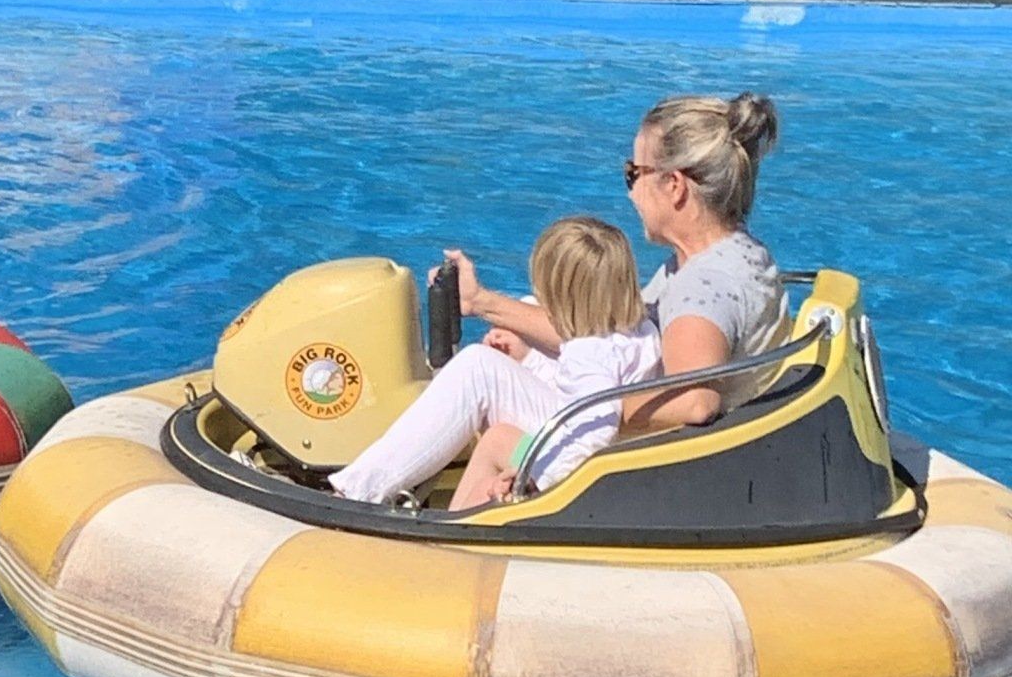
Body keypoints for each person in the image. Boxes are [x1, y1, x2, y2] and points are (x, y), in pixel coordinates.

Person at [448, 93, 785, 433]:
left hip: (625, 460)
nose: (630, 193)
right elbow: (607, 332)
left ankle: (392, 482)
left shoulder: (699, 289)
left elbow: (697, 403)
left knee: (478, 369)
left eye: (633, 174)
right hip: (652, 430)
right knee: (529, 314)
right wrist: (481, 302)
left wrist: (592, 399)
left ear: (674, 186)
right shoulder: (735, 254)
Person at [333, 217, 660, 507]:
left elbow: (592, 430)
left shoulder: (591, 350)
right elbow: (581, 391)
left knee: (476, 367)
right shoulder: (636, 331)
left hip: (574, 468)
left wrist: (535, 475)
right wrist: (529, 359)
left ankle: (359, 492)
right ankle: (449, 522)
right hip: (599, 446)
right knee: (488, 396)